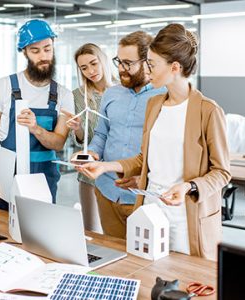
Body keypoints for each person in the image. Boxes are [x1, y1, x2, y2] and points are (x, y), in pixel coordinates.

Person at [78, 24, 231, 260]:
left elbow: (222, 172)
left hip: (185, 216)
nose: (148, 71)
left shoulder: (208, 111)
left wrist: (189, 187)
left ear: (175, 67)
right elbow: (143, 157)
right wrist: (106, 166)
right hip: (150, 211)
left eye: (152, 64)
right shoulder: (155, 105)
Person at [74, 32, 166, 239]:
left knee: (143, 263)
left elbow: (168, 150)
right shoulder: (112, 94)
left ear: (147, 62)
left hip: (144, 196)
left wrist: (145, 178)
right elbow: (101, 134)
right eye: (118, 61)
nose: (121, 69)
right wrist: (92, 154)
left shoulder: (164, 96)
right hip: (107, 191)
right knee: (114, 258)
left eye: (128, 63)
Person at [0, 19, 74, 210]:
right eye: (35, 50)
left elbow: (58, 143)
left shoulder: (64, 95)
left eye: (47, 49)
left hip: (45, 181)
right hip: (7, 180)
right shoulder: (2, 87)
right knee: (5, 234)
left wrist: (35, 128)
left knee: (42, 234)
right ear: (24, 52)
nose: (43, 56)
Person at [62, 43, 113, 233]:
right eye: (84, 68)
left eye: (94, 64)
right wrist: (78, 128)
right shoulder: (77, 96)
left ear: (103, 60)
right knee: (92, 231)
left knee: (118, 234)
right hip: (90, 175)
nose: (90, 71)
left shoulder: (121, 91)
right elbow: (83, 140)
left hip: (117, 172)